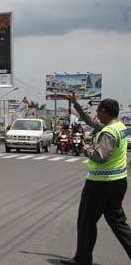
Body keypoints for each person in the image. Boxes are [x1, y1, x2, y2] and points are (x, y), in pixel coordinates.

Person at [60, 94, 131, 265]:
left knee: (86, 221)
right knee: (118, 222)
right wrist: (75, 103)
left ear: (104, 111)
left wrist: (86, 148)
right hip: (118, 181)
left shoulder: (108, 132)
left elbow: (100, 156)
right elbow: (90, 120)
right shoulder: (119, 126)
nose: (96, 114)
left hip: (100, 184)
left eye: (98, 111)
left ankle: (82, 259)